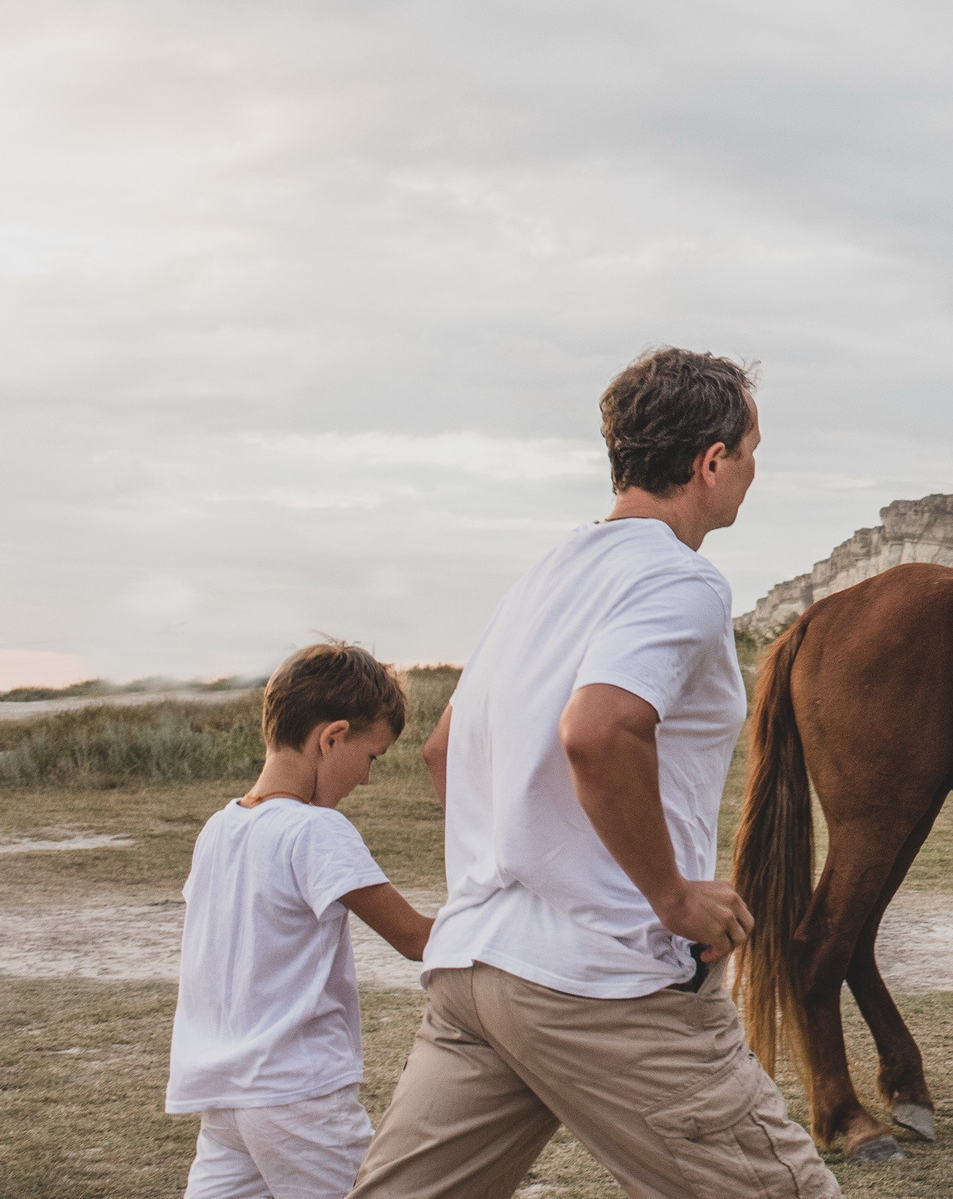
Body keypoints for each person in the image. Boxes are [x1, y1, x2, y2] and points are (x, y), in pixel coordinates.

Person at [348, 348, 837, 1198]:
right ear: (711, 462)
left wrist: (517, 859)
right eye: (751, 451)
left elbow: (444, 749)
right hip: (603, 982)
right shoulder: (680, 579)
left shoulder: (543, 577)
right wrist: (671, 896)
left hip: (476, 971)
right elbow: (600, 730)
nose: (753, 472)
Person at [166, 641, 434, 1199]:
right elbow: (414, 938)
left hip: (225, 1097)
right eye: (372, 757)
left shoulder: (219, 828)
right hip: (298, 1095)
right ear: (332, 737)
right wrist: (512, 925)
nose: (365, 780)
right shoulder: (315, 830)